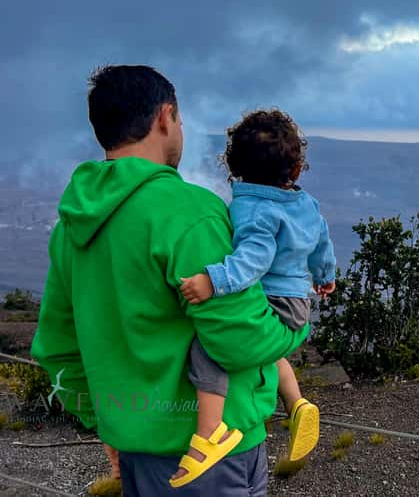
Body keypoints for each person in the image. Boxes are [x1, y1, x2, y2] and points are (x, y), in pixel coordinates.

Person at [31, 65, 306, 496]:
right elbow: (239, 340)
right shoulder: (190, 214)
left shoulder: (71, 226)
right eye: (179, 120)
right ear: (165, 117)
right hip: (210, 456)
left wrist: (110, 423)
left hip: (137, 448)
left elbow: (59, 348)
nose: (180, 130)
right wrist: (297, 322)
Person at [174, 108, 336, 486]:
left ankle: (209, 433)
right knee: (269, 348)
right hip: (297, 303)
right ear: (295, 170)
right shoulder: (305, 204)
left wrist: (212, 281)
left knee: (210, 347)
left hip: (275, 301)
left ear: (233, 167)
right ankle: (296, 404)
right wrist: (325, 277)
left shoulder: (253, 209)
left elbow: (253, 259)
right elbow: (322, 244)